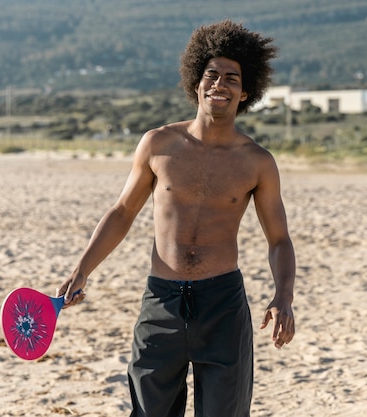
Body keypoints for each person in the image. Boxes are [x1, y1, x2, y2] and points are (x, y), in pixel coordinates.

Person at [57, 20, 296, 417]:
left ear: (246, 91)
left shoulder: (257, 162)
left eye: (231, 78)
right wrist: (83, 269)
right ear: (196, 83)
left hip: (223, 306)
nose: (219, 84)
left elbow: (279, 240)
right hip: (162, 302)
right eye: (211, 75)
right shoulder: (158, 143)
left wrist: (283, 295)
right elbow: (122, 212)